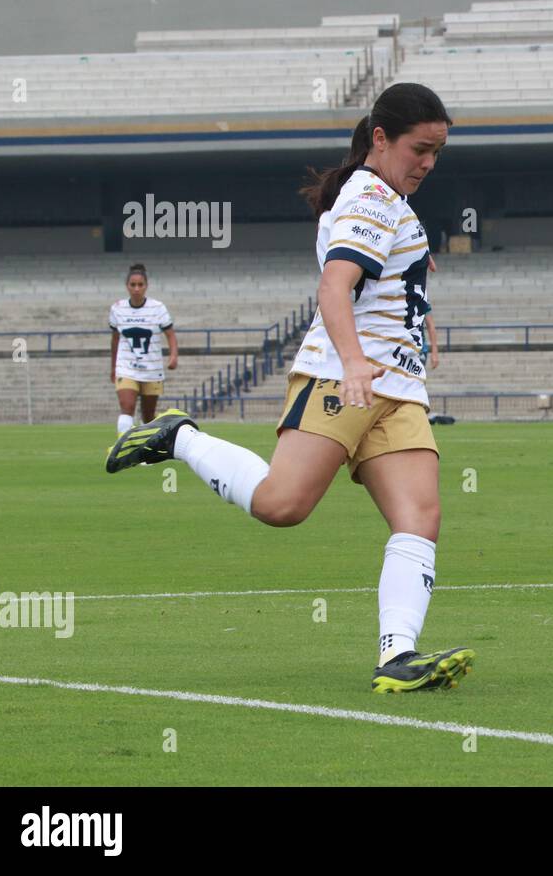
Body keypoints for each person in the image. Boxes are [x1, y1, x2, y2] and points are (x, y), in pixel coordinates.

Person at [105, 83, 472, 692]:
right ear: (381, 139)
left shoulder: (385, 199)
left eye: (438, 152)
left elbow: (369, 269)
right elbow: (333, 287)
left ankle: (397, 658)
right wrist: (354, 362)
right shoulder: (372, 197)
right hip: (342, 376)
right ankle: (179, 436)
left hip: (398, 385)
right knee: (283, 505)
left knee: (419, 517)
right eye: (421, 148)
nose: (429, 163)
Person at [109, 263, 177, 435]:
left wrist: (173, 356)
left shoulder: (158, 308)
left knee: (148, 416)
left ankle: (146, 451)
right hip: (126, 367)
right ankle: (124, 450)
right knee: (127, 406)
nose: (137, 289)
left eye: (140, 285)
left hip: (152, 368)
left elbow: (170, 334)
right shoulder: (117, 308)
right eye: (133, 285)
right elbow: (115, 339)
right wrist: (113, 367)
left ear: (146, 286)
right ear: (127, 286)